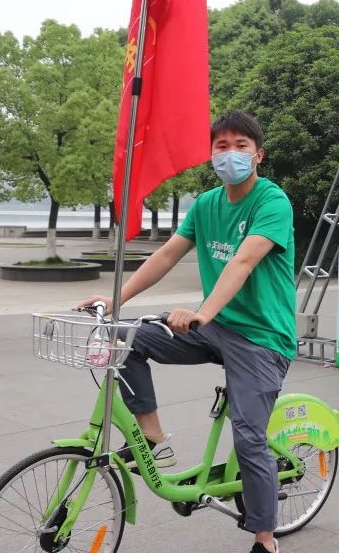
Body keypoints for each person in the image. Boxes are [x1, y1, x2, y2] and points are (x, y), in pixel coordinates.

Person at [80, 112, 295, 553]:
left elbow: (243, 261)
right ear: (210, 154)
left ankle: (265, 537)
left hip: (262, 337)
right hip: (215, 326)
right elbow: (166, 255)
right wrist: (114, 300)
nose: (230, 154)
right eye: (221, 146)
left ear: (259, 155)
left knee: (249, 438)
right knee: (123, 337)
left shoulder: (272, 201)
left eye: (241, 146)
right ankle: (154, 437)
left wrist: (201, 313)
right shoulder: (206, 204)